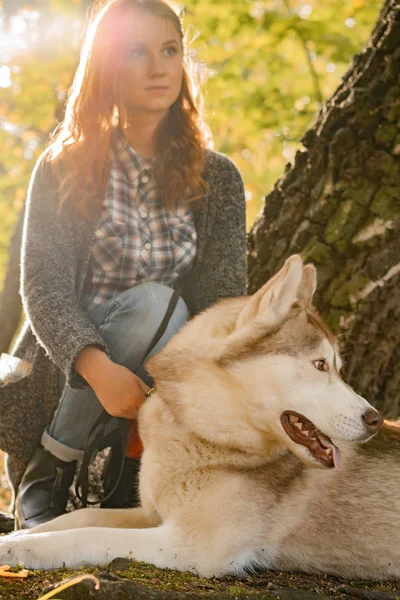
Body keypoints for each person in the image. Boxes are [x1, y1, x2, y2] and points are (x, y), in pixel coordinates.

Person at [0, 0, 246, 530]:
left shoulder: (218, 178)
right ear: (108, 66)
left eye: (169, 50)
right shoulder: (64, 164)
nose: (158, 68)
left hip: (157, 394)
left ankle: (114, 473)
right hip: (66, 378)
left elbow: (223, 306)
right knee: (154, 302)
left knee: (170, 310)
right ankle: (49, 469)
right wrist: (100, 370)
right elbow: (42, 288)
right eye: (137, 52)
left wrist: (169, 400)